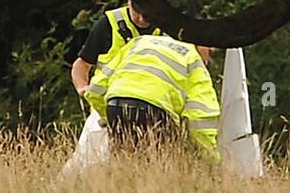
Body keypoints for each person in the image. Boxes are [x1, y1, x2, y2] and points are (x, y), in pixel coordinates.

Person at [83, 34, 221, 160]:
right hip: (156, 113)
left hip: (116, 105)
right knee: (157, 170)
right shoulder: (192, 59)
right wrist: (210, 161)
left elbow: (95, 89)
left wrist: (106, 117)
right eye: (209, 50)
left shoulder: (139, 41)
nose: (210, 55)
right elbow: (201, 119)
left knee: (123, 165)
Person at [70, 0, 172, 96]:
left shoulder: (170, 26)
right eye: (138, 12)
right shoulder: (109, 23)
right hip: (108, 102)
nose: (141, 19)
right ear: (129, 1)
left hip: (154, 101)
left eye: (148, 15)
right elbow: (82, 63)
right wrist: (82, 87)